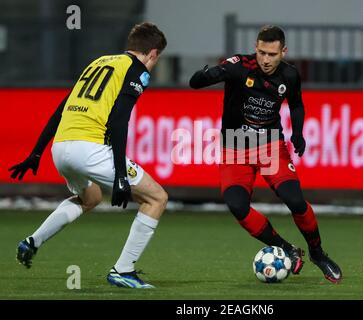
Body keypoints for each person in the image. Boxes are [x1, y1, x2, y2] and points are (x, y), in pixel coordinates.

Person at [9, 22, 168, 289]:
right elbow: (119, 121)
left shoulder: (99, 62)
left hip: (60, 148)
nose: (154, 63)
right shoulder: (138, 71)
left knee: (90, 197)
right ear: (153, 53)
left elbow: (61, 108)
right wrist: (120, 174)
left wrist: (36, 153)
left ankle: (33, 241)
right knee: (157, 197)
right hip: (89, 148)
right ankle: (123, 270)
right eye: (156, 59)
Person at [189, 25, 342, 283]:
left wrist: (298, 134)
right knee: (237, 206)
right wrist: (209, 73)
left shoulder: (290, 75)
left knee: (295, 201)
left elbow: (296, 104)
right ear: (256, 48)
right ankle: (287, 249)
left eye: (272, 54)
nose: (265, 60)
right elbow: (195, 82)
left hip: (270, 145)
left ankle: (317, 253)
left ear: (283, 52)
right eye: (261, 52)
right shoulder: (238, 66)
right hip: (235, 146)